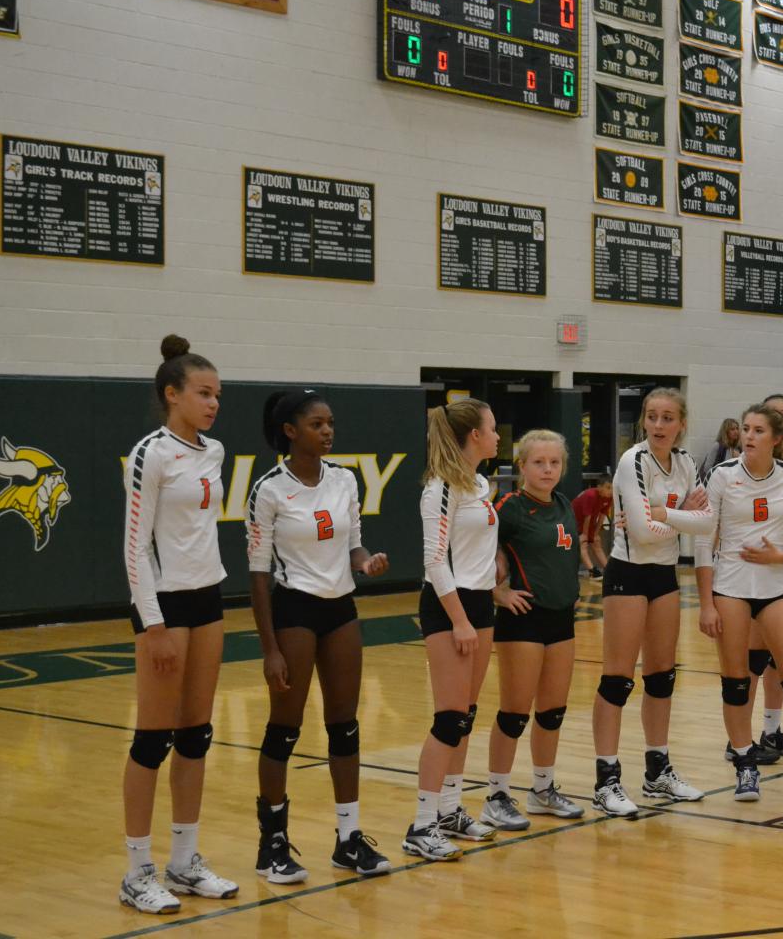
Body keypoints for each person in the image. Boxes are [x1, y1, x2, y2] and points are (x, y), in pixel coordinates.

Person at [247, 390, 391, 883]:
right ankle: (273, 844)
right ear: (290, 431)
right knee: (285, 727)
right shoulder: (269, 490)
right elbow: (259, 576)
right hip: (294, 610)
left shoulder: (345, 480)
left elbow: (353, 545)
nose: (328, 431)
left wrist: (366, 562)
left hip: (341, 607)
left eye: (330, 423)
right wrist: (269, 649)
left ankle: (348, 840)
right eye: (316, 424)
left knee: (345, 725)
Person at [118, 335, 238, 914]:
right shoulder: (151, 454)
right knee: (151, 739)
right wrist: (154, 623)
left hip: (208, 597)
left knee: (196, 735)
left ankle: (184, 861)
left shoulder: (213, 452)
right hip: (162, 606)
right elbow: (135, 548)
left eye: (218, 394)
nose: (214, 403)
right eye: (203, 393)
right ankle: (137, 870)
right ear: (172, 395)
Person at [696, 404, 783, 807]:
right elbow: (703, 542)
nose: (749, 436)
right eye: (745, 428)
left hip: (775, 589)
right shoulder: (722, 476)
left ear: (777, 439)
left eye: (759, 430)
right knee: (736, 682)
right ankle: (745, 763)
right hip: (731, 591)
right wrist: (706, 604)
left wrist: (781, 557)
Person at [592, 389, 712, 818]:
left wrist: (664, 513)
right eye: (652, 417)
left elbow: (709, 523)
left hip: (664, 575)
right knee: (618, 681)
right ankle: (606, 780)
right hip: (628, 574)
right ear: (643, 421)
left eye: (668, 418)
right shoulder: (633, 461)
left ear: (681, 423)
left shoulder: (685, 463)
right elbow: (641, 533)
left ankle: (657, 770)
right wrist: (680, 514)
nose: (659, 426)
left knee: (662, 677)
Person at [406, 398, 501, 862]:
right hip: (450, 608)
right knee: (448, 718)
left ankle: (449, 809)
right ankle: (421, 825)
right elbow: (434, 561)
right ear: (474, 436)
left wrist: (491, 595)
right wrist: (460, 619)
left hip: (481, 603)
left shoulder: (481, 483)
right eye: (493, 429)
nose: (499, 436)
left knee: (466, 714)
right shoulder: (440, 488)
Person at [481, 430, 586, 829]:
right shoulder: (508, 507)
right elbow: (474, 548)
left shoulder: (562, 503)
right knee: (514, 712)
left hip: (561, 619)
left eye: (554, 462)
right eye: (538, 462)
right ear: (521, 465)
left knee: (552, 711)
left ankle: (542, 790)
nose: (547, 469)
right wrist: (498, 592)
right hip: (523, 619)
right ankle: (496, 795)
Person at [738, 393, 783, 762]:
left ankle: (771, 730)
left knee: (782, 657)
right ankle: (740, 738)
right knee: (752, 655)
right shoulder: (740, 468)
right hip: (754, 567)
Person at [572, 475, 613, 577]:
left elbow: (602, 516)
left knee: (597, 543)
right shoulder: (591, 495)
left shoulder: (609, 498)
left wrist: (595, 534)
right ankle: (592, 571)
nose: (611, 491)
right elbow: (587, 517)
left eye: (612, 488)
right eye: (608, 488)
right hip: (573, 520)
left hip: (588, 521)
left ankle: (609, 571)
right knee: (583, 544)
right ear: (599, 487)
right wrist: (585, 535)